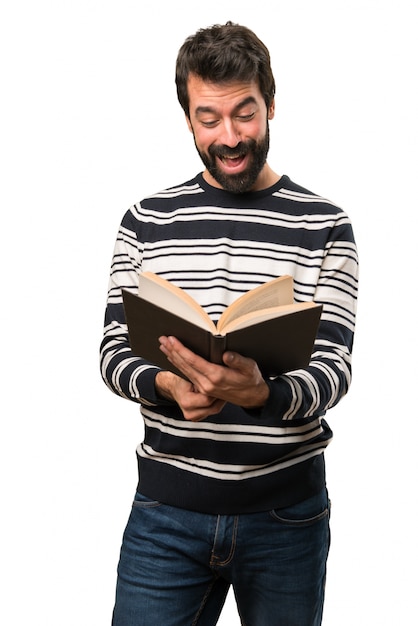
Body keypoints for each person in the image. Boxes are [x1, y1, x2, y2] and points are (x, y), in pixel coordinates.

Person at [100, 21, 358, 626]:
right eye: (209, 118)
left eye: (245, 113)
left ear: (270, 103)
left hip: (287, 518)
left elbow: (334, 371)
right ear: (188, 119)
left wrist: (264, 394)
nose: (230, 136)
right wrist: (167, 385)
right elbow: (113, 353)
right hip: (165, 513)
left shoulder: (325, 225)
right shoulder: (146, 220)